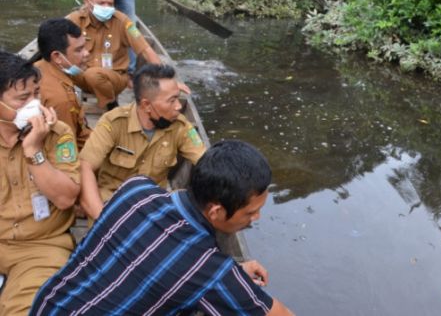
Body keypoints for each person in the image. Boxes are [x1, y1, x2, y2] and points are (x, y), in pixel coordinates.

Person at [30, 140, 294, 315]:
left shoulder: (136, 189)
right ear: (216, 210)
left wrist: (233, 275)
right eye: (251, 211)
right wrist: (230, 278)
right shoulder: (208, 268)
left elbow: (150, 258)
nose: (257, 218)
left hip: (48, 307)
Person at [0, 51, 81, 315]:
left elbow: (66, 198)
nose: (34, 104)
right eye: (23, 98)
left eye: (36, 94)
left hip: (40, 247)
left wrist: (34, 151)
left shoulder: (58, 134)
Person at [78, 63, 205, 220]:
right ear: (146, 105)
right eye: (172, 100)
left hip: (153, 210)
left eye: (178, 99)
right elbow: (86, 167)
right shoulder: (113, 123)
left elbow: (205, 161)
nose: (178, 106)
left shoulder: (180, 126)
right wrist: (101, 218)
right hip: (112, 205)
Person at [67, 0, 161, 110]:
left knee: (93, 74)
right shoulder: (75, 20)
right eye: (101, 3)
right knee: (51, 68)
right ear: (87, 2)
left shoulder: (123, 21)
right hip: (82, 76)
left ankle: (111, 105)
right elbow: (58, 48)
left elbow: (145, 49)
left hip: (115, 77)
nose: (106, 7)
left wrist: (167, 77)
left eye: (110, 4)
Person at [35, 18, 92, 149]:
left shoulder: (40, 66)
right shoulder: (61, 100)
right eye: (79, 50)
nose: (86, 54)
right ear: (57, 57)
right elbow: (66, 149)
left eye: (84, 47)